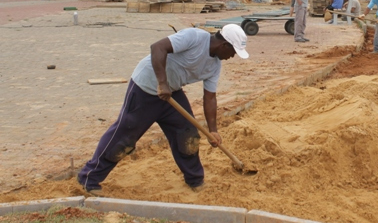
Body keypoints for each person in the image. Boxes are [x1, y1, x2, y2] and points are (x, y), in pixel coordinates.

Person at [77, 24, 249, 196]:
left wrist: (213, 131)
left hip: (171, 94)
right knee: (124, 138)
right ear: (224, 45)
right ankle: (89, 178)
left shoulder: (215, 66)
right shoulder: (194, 37)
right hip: (146, 87)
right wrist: (162, 83)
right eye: (233, 52)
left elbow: (210, 97)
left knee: (187, 135)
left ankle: (194, 179)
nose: (232, 56)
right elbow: (158, 47)